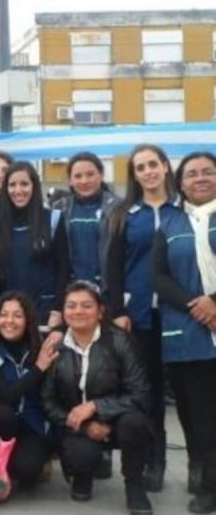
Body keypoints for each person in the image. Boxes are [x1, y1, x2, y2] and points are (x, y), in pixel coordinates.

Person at [42, 280, 153, 513]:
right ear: (63, 311)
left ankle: (134, 484)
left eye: (86, 305)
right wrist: (84, 426)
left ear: (100, 311)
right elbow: (47, 401)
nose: (78, 311)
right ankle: (83, 474)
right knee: (80, 455)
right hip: (77, 424)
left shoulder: (120, 341)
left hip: (118, 418)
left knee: (135, 424)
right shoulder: (55, 346)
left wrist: (96, 407)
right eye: (71, 306)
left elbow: (141, 393)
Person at [106, 144, 180, 491]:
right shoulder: (124, 215)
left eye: (153, 164)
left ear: (165, 167)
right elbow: (113, 267)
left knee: (188, 393)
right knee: (148, 392)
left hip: (181, 315)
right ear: (134, 175)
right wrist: (118, 312)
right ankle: (155, 460)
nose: (148, 172)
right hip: (139, 317)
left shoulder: (183, 209)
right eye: (140, 167)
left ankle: (201, 466)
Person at [153, 151, 216, 510]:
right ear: (180, 182)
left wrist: (215, 301)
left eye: (208, 172)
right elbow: (159, 277)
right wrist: (199, 305)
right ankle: (207, 481)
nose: (200, 178)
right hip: (187, 330)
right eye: (192, 174)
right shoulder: (170, 223)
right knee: (195, 415)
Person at [0, 291, 58, 490]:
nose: (9, 321)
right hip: (3, 423)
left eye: (17, 315)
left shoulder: (40, 346)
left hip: (33, 424)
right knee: (3, 411)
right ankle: (1, 459)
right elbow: (6, 394)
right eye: (4, 315)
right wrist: (38, 369)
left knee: (25, 471)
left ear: (27, 320)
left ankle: (41, 459)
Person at [0, 161, 69, 328]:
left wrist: (57, 310)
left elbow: (63, 268)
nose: (18, 190)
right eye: (12, 185)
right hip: (10, 314)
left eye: (24, 184)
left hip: (45, 311)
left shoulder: (54, 219)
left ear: (34, 186)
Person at [52, 151, 119, 287]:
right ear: (70, 180)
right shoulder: (59, 209)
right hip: (71, 289)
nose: (84, 181)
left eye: (90, 174)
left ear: (101, 175)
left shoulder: (119, 208)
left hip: (108, 288)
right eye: (78, 176)